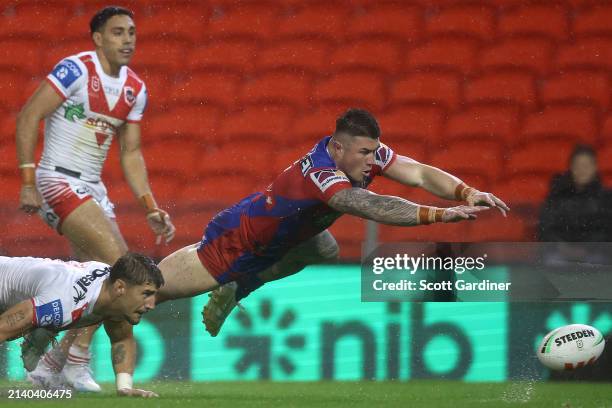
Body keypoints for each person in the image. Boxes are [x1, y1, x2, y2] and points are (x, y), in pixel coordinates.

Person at [156, 108, 509, 330]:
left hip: (291, 235)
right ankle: (102, 300)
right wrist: (440, 214)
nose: (373, 161)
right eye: (365, 153)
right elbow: (369, 205)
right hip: (241, 239)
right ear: (338, 149)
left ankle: (238, 287)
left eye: (374, 151)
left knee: (324, 249)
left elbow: (417, 173)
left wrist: (466, 191)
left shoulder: (364, 152)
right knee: (153, 293)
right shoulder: (322, 173)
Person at [15, 6, 175, 392]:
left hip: (93, 191)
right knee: (121, 266)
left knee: (93, 280)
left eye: (132, 32)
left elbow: (131, 153)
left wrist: (149, 205)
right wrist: (27, 180)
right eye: (118, 32)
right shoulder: (75, 70)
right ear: (98, 38)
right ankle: (76, 360)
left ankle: (52, 363)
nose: (128, 40)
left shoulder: (135, 88)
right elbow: (28, 116)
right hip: (56, 180)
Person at [0, 253, 162, 397]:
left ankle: (41, 328)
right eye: (146, 294)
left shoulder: (112, 294)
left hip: (30, 292)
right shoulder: (63, 303)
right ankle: (40, 328)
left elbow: (121, 338)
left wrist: (125, 388)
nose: (151, 305)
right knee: (25, 326)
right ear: (120, 287)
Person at [539, 144, 610, 242]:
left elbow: (606, 231)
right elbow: (546, 227)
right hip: (559, 251)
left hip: (595, 252)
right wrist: (562, 246)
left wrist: (587, 248)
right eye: (578, 165)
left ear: (595, 167)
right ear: (571, 167)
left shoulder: (605, 197)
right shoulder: (557, 193)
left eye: (586, 166)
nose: (582, 170)